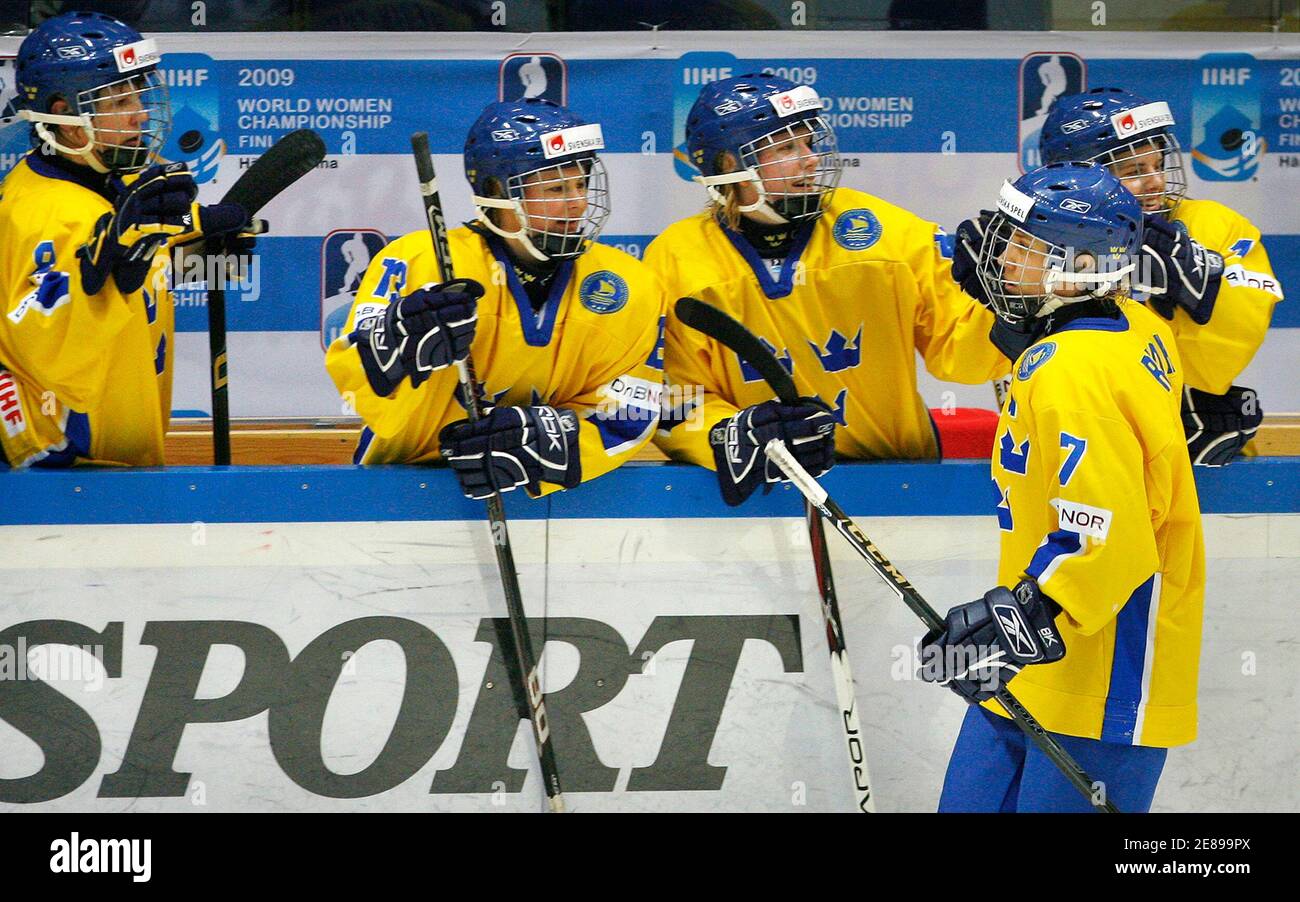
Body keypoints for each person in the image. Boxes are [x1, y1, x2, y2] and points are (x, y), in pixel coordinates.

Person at [921, 162, 1205, 813]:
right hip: (1040, 665)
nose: (1006, 256)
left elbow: (1109, 534)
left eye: (1025, 246)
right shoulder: (1134, 323)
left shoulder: (1072, 369)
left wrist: (1020, 615)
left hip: (1107, 675)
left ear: (1078, 267)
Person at [648, 73, 1008, 506]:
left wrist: (1000, 299)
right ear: (728, 165)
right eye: (785, 148)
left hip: (901, 483)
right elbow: (667, 400)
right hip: (761, 495)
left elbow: (963, 362)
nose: (810, 160)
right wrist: (729, 433)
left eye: (807, 142)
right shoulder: (677, 260)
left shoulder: (883, 232)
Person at [325, 98, 666, 499]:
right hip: (402, 488)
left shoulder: (628, 285)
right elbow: (352, 375)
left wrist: (548, 445)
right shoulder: (422, 261)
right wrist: (396, 342)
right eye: (555, 187)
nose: (576, 203)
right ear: (495, 192)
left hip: (555, 496)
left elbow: (632, 412)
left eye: (580, 183)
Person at [959, 87, 1282, 465]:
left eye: (1158, 164)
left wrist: (1194, 279)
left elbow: (1228, 354)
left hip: (1189, 447)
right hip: (1067, 441)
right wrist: (1003, 298)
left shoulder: (1209, 224)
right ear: (1079, 177)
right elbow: (967, 363)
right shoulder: (1030, 243)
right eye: (1134, 171)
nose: (1156, 182)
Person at [0, 11, 250, 468]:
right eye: (117, 101)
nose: (139, 113)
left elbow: (138, 243)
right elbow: (43, 343)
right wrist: (97, 272)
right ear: (68, 117)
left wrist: (202, 239)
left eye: (136, 93)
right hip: (65, 462)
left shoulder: (113, 182)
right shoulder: (41, 214)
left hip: (124, 454)